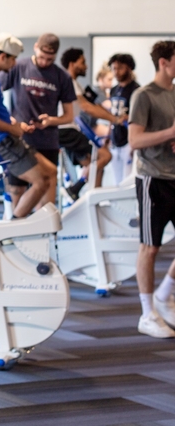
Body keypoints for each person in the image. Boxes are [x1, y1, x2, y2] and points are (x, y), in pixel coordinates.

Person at [0, 34, 54, 218]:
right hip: (0, 141)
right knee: (41, 182)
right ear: (3, 57)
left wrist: (16, 124)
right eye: (13, 59)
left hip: (4, 136)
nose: (15, 64)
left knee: (51, 171)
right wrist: (12, 129)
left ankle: (42, 225)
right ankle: (13, 228)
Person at [127, 40, 175, 338]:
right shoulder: (143, 96)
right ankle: (147, 314)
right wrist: (170, 132)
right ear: (164, 63)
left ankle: (164, 294)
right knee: (151, 246)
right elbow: (134, 141)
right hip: (152, 179)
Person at [0, 33, 74, 213]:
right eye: (41, 57)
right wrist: (11, 122)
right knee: (18, 192)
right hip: (20, 141)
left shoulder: (62, 77)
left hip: (47, 142)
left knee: (46, 201)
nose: (44, 62)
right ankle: (16, 234)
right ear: (35, 47)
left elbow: (69, 116)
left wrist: (51, 121)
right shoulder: (18, 67)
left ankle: (44, 237)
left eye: (50, 59)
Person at [58, 48, 122, 196]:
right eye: (83, 62)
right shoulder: (69, 82)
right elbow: (86, 107)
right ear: (72, 64)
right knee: (105, 156)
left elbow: (94, 105)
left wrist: (113, 118)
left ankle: (93, 203)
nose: (86, 66)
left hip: (70, 130)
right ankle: (75, 189)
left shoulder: (76, 84)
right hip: (66, 129)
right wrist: (115, 120)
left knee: (96, 166)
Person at [108, 53, 140, 184]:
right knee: (116, 182)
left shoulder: (137, 90)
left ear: (129, 68)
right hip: (115, 140)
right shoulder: (114, 90)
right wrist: (108, 136)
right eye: (114, 68)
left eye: (120, 68)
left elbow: (139, 118)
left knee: (127, 181)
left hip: (129, 141)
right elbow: (111, 114)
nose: (116, 72)